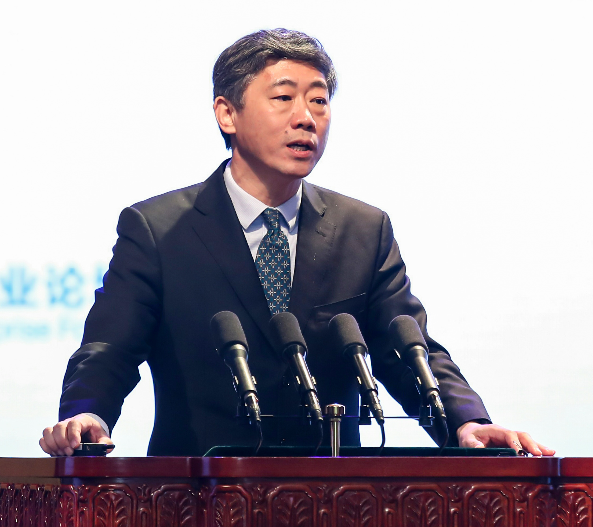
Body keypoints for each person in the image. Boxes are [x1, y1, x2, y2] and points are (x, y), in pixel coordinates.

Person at [40, 29, 555, 457]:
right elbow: (108, 349)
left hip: (335, 496)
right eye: (284, 98)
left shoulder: (363, 229)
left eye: (319, 101)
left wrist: (467, 422)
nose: (306, 117)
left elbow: (409, 349)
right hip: (197, 495)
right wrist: (87, 414)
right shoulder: (158, 229)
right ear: (227, 114)